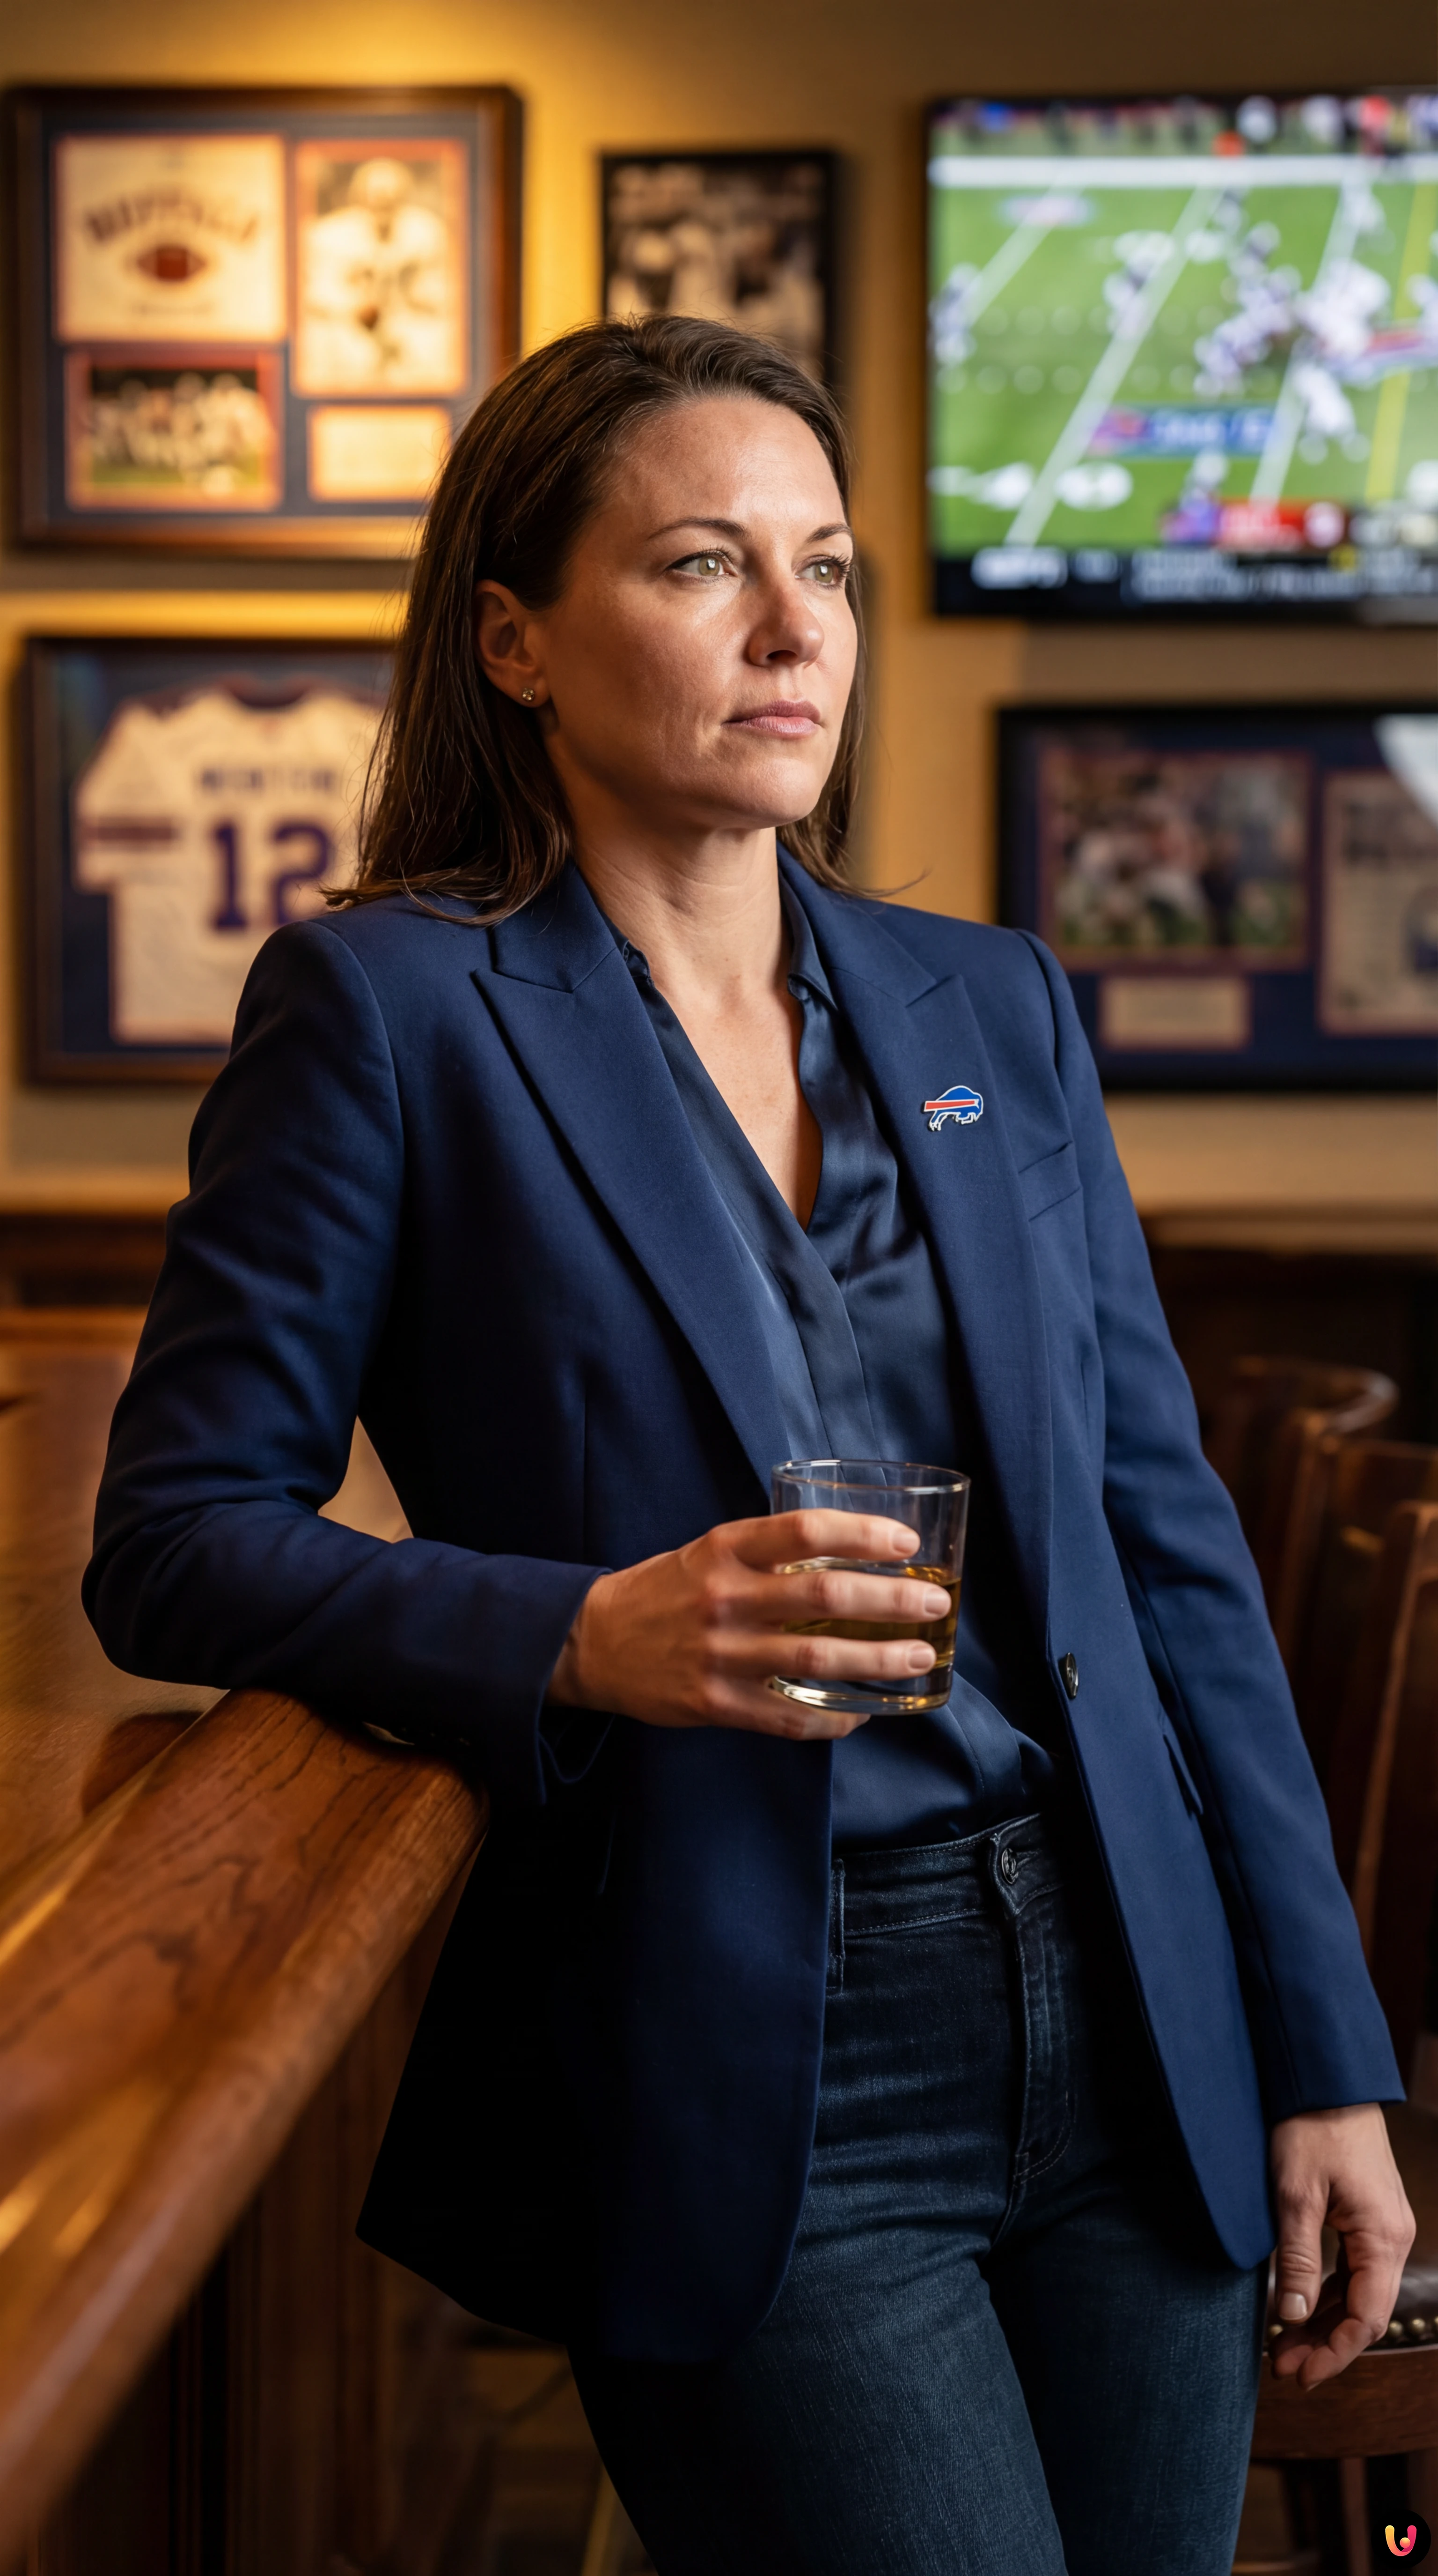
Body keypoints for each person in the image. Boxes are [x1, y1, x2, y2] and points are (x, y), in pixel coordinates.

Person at [84, 316, 1411, 2576]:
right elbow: (176, 1541)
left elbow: (1166, 1547)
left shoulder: (987, 995)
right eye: (706, 562)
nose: (796, 630)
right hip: (753, 2037)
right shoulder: (388, 1008)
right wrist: (583, 1631)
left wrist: (1324, 2038)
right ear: (512, 635)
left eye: (828, 565)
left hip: (1130, 1990)